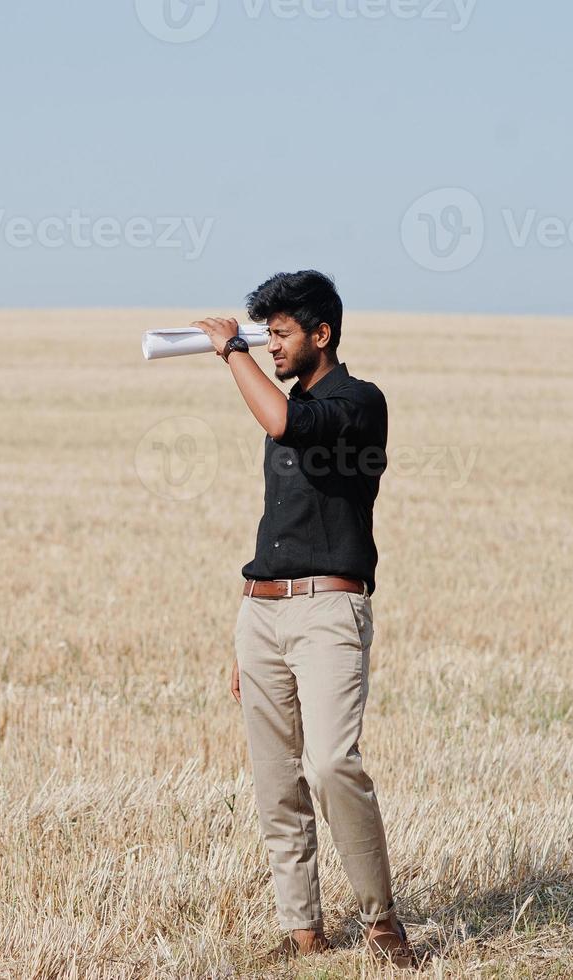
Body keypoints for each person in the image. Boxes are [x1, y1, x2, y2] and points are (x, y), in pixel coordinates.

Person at [192, 270, 413, 967]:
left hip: (328, 610)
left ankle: (380, 921)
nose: (271, 345)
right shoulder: (282, 399)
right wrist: (249, 630)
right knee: (274, 780)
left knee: (329, 765)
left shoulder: (356, 403)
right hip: (261, 614)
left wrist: (233, 351)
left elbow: (287, 422)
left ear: (321, 334)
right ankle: (302, 933)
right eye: (265, 333)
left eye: (281, 333)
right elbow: (275, 523)